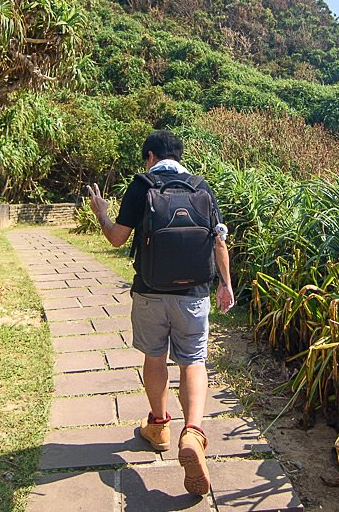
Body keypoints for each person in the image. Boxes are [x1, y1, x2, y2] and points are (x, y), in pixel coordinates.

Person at [86, 129, 234, 496]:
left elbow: (117, 238)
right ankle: (193, 432)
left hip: (150, 291)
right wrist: (225, 284)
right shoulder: (201, 187)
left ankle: (159, 426)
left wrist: (102, 213)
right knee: (193, 361)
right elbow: (219, 241)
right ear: (179, 157)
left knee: (155, 357)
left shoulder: (142, 186)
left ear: (150, 156)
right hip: (194, 293)